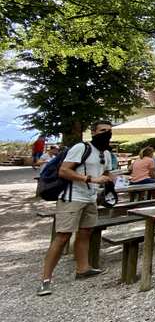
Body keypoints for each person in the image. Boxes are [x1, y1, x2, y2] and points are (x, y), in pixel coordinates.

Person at [37, 121, 114, 296]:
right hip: (72, 198)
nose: (107, 134)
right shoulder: (81, 147)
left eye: (109, 131)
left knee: (85, 232)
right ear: (93, 132)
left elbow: (107, 172)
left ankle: (83, 268)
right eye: (103, 131)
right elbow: (63, 171)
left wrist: (111, 181)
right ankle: (45, 280)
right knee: (62, 236)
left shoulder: (106, 153)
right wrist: (90, 179)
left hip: (90, 198)